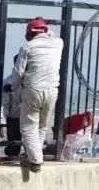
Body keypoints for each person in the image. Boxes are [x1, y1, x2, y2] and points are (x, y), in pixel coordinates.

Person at [13, 17, 63, 171]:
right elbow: (51, 34)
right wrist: (44, 27)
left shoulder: (27, 47)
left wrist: (14, 87)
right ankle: (34, 155)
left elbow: (18, 72)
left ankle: (35, 161)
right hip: (52, 90)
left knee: (28, 127)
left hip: (33, 90)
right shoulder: (58, 43)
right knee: (42, 125)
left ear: (29, 34)